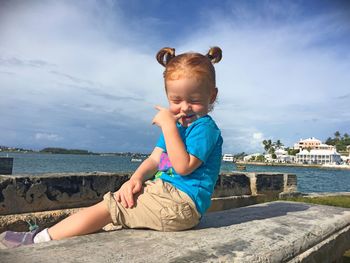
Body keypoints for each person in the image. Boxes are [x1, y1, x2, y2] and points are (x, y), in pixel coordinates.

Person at [0, 46, 223, 248]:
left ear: (211, 96)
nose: (184, 108)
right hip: (167, 198)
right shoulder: (176, 128)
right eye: (176, 100)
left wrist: (167, 126)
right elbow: (156, 160)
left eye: (193, 100)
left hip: (181, 203)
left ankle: (38, 239)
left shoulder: (204, 127)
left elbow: (183, 167)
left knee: (110, 207)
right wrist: (135, 179)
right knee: (114, 209)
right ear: (167, 96)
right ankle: (54, 236)